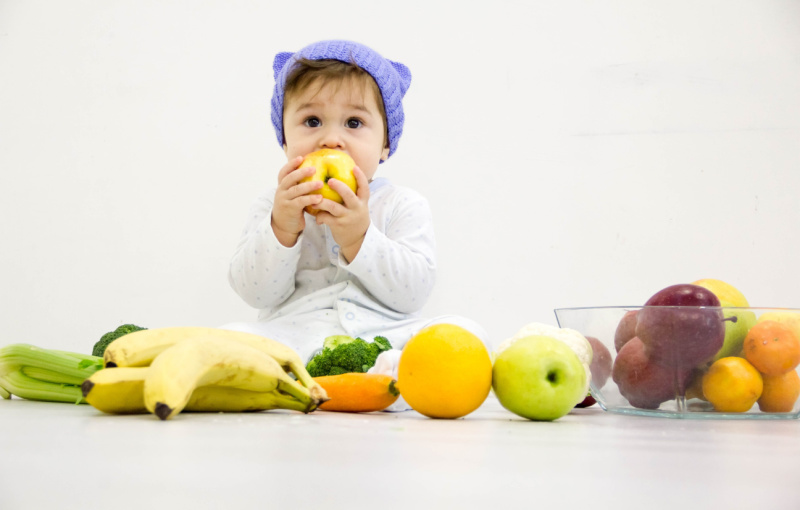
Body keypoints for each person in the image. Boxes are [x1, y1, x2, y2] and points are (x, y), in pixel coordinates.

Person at [221, 40, 487, 378]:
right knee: (231, 337)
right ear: (284, 140)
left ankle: (393, 375)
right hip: (294, 335)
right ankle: (304, 379)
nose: (331, 140)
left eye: (354, 123)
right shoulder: (274, 204)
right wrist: (281, 229)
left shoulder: (402, 204)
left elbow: (412, 295)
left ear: (385, 146)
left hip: (383, 335)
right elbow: (256, 293)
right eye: (313, 121)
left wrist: (360, 237)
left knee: (465, 333)